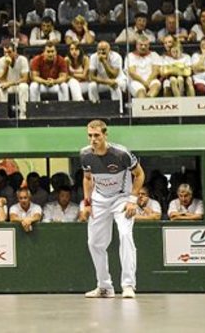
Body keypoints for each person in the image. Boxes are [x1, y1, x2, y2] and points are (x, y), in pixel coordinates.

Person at [82, 120, 145, 299]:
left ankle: (128, 285)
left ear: (105, 135)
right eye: (90, 136)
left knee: (125, 235)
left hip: (122, 199)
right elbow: (87, 178)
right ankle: (104, 287)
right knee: (94, 243)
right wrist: (87, 203)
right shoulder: (85, 155)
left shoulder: (121, 154)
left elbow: (139, 174)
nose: (93, 139)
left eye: (97, 135)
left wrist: (132, 200)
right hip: (99, 200)